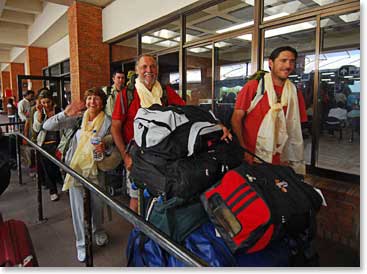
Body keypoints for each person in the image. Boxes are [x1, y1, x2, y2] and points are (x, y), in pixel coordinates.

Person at [111, 54, 232, 212]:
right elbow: (115, 128)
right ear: (136, 70)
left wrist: (215, 124)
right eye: (144, 67)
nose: (149, 70)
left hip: (165, 157)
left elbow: (189, 112)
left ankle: (159, 229)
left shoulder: (165, 92)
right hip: (138, 157)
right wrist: (125, 156)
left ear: (157, 69)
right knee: (137, 199)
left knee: (163, 197)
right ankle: (139, 233)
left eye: (153, 66)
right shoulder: (126, 95)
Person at [43, 87, 111, 263]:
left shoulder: (108, 122)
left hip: (97, 169)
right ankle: (81, 243)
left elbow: (115, 145)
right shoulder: (77, 118)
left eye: (96, 99)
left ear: (102, 102)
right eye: (89, 99)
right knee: (78, 209)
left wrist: (106, 147)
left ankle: (98, 231)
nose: (92, 102)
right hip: (75, 170)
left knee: (97, 205)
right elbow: (46, 126)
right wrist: (65, 113)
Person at [231, 46, 307, 175]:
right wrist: (243, 149)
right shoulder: (255, 87)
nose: (288, 65)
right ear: (271, 63)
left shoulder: (294, 91)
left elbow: (295, 126)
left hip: (282, 158)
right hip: (254, 155)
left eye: (292, 61)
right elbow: (236, 119)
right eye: (283, 60)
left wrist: (291, 154)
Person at [32, 88, 63, 201]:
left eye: (48, 102)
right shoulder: (38, 113)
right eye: (43, 102)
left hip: (58, 143)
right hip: (44, 144)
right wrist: (40, 116)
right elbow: (36, 129)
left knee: (58, 167)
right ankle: (53, 190)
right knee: (47, 169)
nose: (46, 105)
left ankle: (61, 183)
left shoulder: (59, 110)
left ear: (52, 100)